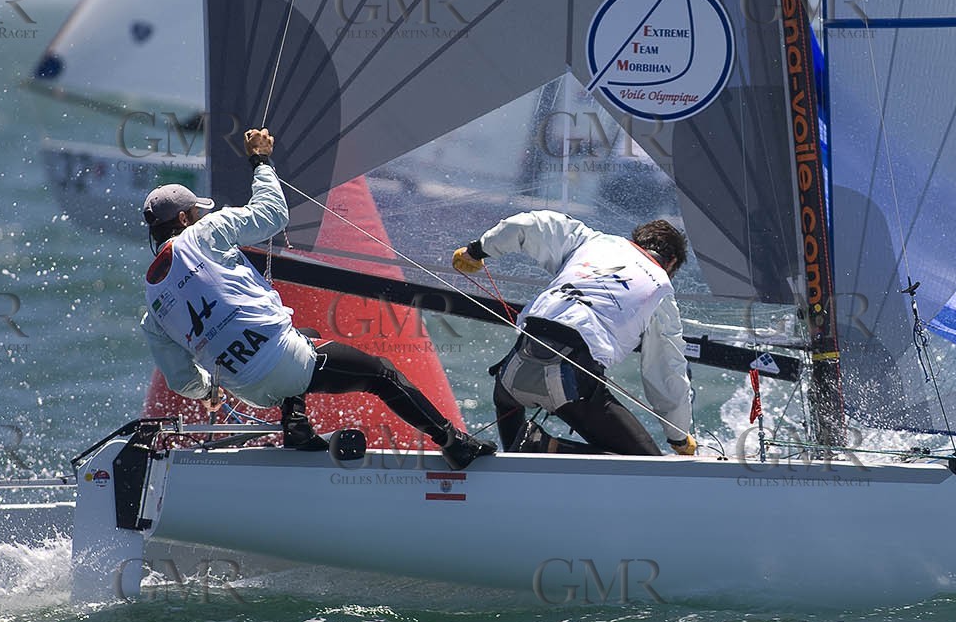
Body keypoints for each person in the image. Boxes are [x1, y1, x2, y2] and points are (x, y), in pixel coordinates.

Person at [140, 127, 495, 469]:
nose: (202, 216)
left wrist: (207, 393)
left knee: (306, 333)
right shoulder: (204, 233)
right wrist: (261, 162)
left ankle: (297, 427)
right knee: (382, 376)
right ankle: (455, 444)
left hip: (245, 388)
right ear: (185, 217)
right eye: (197, 212)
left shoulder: (153, 305)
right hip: (285, 366)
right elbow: (273, 215)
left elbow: (180, 379)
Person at [452, 211, 696, 457]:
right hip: (569, 381)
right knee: (650, 466)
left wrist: (478, 250)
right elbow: (667, 370)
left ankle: (511, 469)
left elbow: (528, 224)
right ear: (672, 262)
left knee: (511, 430)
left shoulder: (592, 241)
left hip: (511, 372)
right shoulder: (661, 290)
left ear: (637, 240)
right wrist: (678, 435)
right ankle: (540, 446)